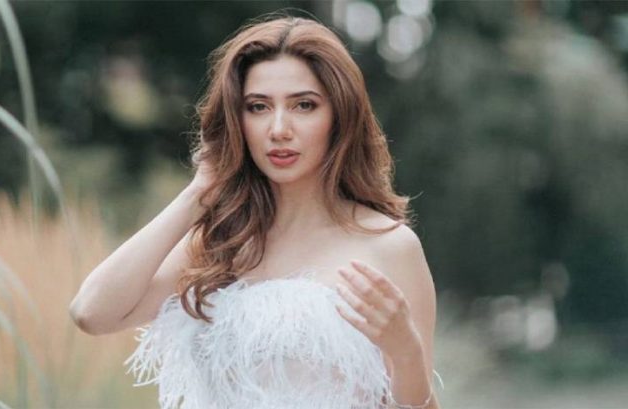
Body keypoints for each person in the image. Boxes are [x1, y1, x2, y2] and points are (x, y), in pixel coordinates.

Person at [70, 13, 441, 409]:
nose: (278, 129)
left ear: (340, 117)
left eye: (304, 105)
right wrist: (198, 194)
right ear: (237, 120)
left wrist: (406, 352)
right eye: (258, 107)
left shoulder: (388, 247)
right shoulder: (219, 242)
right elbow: (92, 312)